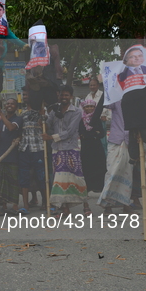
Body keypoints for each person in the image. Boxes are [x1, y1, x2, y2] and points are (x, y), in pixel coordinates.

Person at [42, 85, 90, 217]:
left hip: (71, 148)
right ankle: (65, 208)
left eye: (66, 95)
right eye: (62, 95)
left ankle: (85, 204)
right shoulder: (54, 111)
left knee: (76, 178)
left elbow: (70, 132)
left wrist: (51, 137)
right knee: (60, 180)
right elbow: (48, 125)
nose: (64, 97)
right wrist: (43, 117)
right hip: (57, 150)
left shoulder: (76, 111)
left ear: (71, 97)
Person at [0, 99, 23, 215]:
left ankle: (14, 206)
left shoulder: (18, 119)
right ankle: (3, 205)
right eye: (7, 103)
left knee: (13, 181)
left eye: (12, 104)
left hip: (13, 155)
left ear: (16, 107)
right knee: (1, 181)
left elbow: (11, 128)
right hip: (1, 154)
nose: (9, 105)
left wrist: (0, 113)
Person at [18, 87, 46, 211]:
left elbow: (47, 127)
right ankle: (25, 205)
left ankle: (46, 203)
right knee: (24, 177)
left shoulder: (41, 111)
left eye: (27, 95)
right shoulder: (21, 113)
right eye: (23, 95)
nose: (25, 97)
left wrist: (43, 119)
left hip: (38, 148)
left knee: (41, 177)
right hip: (24, 148)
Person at [79, 97, 106, 193]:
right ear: (84, 108)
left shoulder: (97, 119)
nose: (90, 108)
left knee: (99, 166)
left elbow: (101, 133)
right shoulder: (81, 120)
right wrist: (94, 134)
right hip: (86, 147)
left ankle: (99, 187)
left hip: (96, 147)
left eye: (92, 106)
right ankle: (89, 186)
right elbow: (81, 133)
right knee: (87, 167)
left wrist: (90, 134)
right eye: (87, 106)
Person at [84, 78, 111, 154]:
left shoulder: (103, 95)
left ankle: (104, 160)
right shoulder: (88, 96)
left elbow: (109, 108)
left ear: (98, 86)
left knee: (102, 142)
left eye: (94, 85)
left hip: (100, 122)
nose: (92, 87)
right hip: (90, 123)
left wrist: (107, 117)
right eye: (91, 85)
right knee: (92, 142)